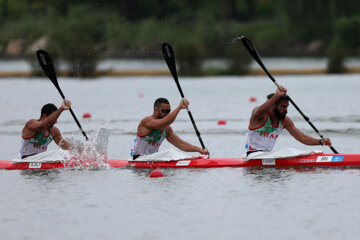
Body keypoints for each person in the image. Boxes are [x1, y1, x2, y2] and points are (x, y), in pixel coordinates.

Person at [245, 86, 332, 156]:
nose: (286, 110)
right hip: (253, 156)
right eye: (283, 107)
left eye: (287, 107)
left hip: (268, 155)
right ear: (273, 105)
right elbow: (258, 112)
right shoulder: (260, 116)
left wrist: (320, 142)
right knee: (289, 152)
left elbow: (302, 138)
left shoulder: (285, 121)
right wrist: (276, 96)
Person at [131, 97, 209, 159]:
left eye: (169, 111)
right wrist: (179, 107)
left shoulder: (167, 129)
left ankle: (194, 158)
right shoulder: (147, 121)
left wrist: (199, 150)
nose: (167, 114)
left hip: (152, 159)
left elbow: (180, 144)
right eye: (164, 111)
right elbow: (166, 121)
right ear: (156, 109)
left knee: (171, 153)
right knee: (170, 152)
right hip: (139, 159)